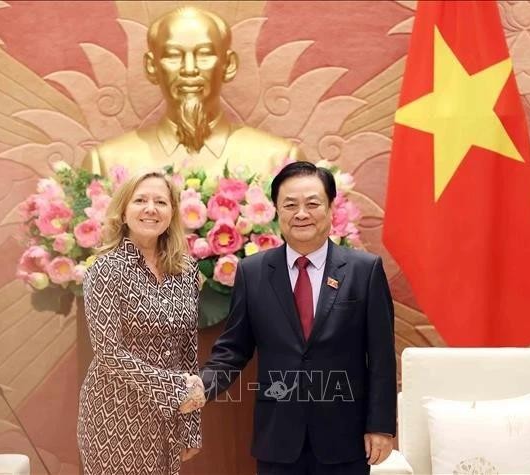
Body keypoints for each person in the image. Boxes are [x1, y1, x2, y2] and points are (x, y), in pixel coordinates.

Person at [200, 162, 397, 474]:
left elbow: (382, 356)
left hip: (345, 437)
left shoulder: (364, 271)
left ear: (332, 208)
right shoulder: (253, 273)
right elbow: (232, 350)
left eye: (312, 203)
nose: (301, 213)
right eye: (290, 205)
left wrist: (382, 426)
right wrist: (201, 387)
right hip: (278, 438)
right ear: (277, 211)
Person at [78, 170, 205, 475]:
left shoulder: (185, 271)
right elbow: (109, 353)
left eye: (161, 201)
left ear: (172, 212)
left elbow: (187, 352)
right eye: (140, 200)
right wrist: (175, 389)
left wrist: (192, 426)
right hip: (114, 414)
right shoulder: (106, 270)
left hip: (169, 418)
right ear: (123, 211)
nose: (151, 208)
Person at [84, 7, 303, 179]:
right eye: (173, 55)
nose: (189, 69)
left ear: (229, 65)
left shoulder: (280, 161)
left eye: (204, 54)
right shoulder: (105, 163)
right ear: (152, 67)